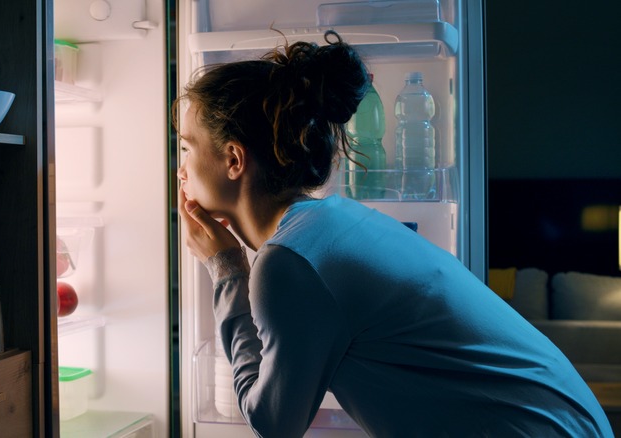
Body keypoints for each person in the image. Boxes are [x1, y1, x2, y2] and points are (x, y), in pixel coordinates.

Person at [174, 31, 613, 437]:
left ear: (234, 160)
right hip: (570, 421)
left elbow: (274, 422)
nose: (181, 171)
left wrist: (227, 269)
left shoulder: (289, 263)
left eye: (186, 147)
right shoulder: (335, 219)